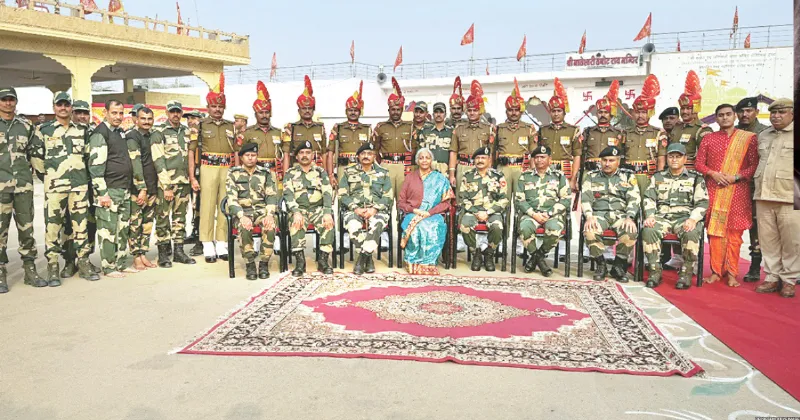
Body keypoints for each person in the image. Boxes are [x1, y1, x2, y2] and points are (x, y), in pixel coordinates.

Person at [28, 91, 99, 285]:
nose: (63, 108)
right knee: (53, 227)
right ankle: (53, 266)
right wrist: (50, 176)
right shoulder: (44, 130)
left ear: (71, 108)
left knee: (81, 226)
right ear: (54, 107)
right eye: (60, 105)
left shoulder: (82, 130)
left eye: (67, 105)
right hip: (55, 187)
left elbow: (88, 156)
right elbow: (36, 157)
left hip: (79, 186)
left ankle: (83, 262)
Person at [695, 104, 759, 288]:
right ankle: (716, 271)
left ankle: (732, 273)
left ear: (735, 116)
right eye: (721, 115)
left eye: (728, 114)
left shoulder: (748, 139)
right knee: (715, 232)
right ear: (716, 118)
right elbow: (699, 164)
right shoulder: (709, 139)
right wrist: (713, 174)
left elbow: (754, 165)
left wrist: (736, 177)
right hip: (714, 189)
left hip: (738, 190)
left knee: (734, 233)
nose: (724, 118)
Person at [88, 100, 145, 278]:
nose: (118, 117)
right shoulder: (100, 133)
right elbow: (96, 167)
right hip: (109, 191)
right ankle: (109, 267)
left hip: (123, 189)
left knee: (122, 230)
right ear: (106, 112)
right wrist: (102, 193)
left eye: (121, 113)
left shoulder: (120, 133)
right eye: (114, 113)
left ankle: (120, 263)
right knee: (108, 231)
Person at [641, 143, 708, 289]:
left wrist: (693, 219)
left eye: (678, 156)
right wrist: (650, 215)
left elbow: (702, 203)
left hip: (684, 218)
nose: (674, 160)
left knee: (691, 232)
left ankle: (686, 273)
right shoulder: (658, 177)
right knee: (649, 230)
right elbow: (649, 198)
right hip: (662, 217)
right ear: (667, 158)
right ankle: (654, 271)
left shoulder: (696, 178)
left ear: (685, 159)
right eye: (671, 156)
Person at [0, 87, 47, 293]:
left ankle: (30, 269)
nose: (8, 103)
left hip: (23, 187)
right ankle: (1, 272)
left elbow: (36, 155)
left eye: (11, 99)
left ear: (16, 102)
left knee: (26, 231)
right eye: (4, 99)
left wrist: (46, 178)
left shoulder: (26, 126)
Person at [189, 74, 237, 263]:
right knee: (207, 205)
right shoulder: (199, 125)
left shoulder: (231, 126)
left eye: (220, 106)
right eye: (214, 106)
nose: (217, 110)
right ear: (208, 107)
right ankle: (207, 243)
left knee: (225, 204)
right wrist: (192, 176)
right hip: (208, 167)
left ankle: (222, 242)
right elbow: (192, 152)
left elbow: (237, 152)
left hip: (227, 167)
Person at [753, 98, 796, 298]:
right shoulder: (763, 136)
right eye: (773, 113)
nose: (776, 116)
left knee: (792, 241)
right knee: (768, 240)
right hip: (764, 195)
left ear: (792, 114)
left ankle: (789, 279)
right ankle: (771, 276)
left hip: (790, 195)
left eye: (781, 113)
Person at [581, 146, 640, 282]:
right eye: (605, 160)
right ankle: (601, 264)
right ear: (600, 161)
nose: (607, 163)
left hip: (621, 215)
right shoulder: (591, 176)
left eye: (611, 160)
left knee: (630, 231)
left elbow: (634, 198)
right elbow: (585, 198)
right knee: (590, 230)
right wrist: (589, 216)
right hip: (598, 214)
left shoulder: (628, 176)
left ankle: (618, 265)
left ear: (618, 161)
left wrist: (630, 217)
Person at [151, 100, 196, 267]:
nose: (175, 114)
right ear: (167, 112)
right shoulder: (159, 131)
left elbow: (190, 155)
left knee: (180, 218)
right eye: (172, 112)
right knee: (162, 218)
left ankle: (178, 251)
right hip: (166, 184)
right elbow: (158, 159)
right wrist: (166, 186)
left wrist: (191, 178)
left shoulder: (186, 132)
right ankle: (163, 253)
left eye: (178, 111)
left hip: (183, 182)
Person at [226, 142, 279, 280]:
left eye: (253, 155)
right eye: (247, 155)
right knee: (244, 228)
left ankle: (263, 263)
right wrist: (242, 216)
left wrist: (269, 215)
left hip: (261, 211)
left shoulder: (265, 173)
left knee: (270, 226)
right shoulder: (233, 173)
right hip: (243, 212)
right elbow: (231, 200)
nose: (250, 158)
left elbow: (271, 196)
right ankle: (250, 263)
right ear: (242, 157)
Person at [515, 145, 570, 276]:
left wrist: (549, 213)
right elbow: (519, 199)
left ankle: (536, 257)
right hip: (531, 214)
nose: (539, 160)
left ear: (549, 159)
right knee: (524, 228)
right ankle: (540, 260)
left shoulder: (559, 176)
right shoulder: (525, 176)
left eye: (543, 157)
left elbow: (566, 199)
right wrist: (533, 214)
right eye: (537, 157)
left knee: (555, 229)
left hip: (552, 214)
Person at [338, 143, 393, 274]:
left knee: (378, 224)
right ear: (358, 156)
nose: (366, 156)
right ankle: (369, 259)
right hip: (354, 209)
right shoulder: (348, 172)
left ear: (374, 156)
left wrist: (374, 209)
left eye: (369, 154)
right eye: (363, 154)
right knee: (352, 224)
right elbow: (342, 194)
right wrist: (355, 208)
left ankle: (362, 258)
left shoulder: (383, 173)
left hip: (377, 210)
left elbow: (388, 196)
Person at [398, 148, 453, 275]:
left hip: (433, 214)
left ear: (431, 160)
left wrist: (430, 212)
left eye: (427, 158)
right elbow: (401, 202)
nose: (424, 160)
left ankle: (429, 262)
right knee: (417, 227)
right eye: (421, 158)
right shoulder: (410, 178)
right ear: (417, 161)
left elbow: (446, 203)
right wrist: (414, 210)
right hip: (413, 213)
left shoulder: (440, 179)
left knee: (433, 226)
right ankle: (413, 262)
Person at [284, 141, 335, 277]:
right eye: (301, 153)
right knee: (296, 225)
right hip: (299, 210)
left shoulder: (320, 172)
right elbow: (288, 194)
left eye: (308, 152)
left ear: (313, 155)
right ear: (296, 156)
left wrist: (327, 212)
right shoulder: (290, 173)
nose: (305, 155)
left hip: (317, 209)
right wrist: (295, 211)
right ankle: (300, 263)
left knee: (328, 224)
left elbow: (327, 192)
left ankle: (323, 261)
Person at [735, 97, 771, 283]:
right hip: (736, 186)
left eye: (749, 111)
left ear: (756, 111)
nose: (745, 114)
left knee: (759, 228)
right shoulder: (733, 132)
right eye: (741, 111)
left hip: (758, 188)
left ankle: (755, 266)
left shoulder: (765, 133)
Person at [458, 146, 508, 272]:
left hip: (492, 212)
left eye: (483, 158)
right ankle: (476, 254)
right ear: (474, 160)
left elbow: (504, 199)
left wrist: (488, 212)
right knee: (465, 225)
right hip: (473, 211)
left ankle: (489, 253)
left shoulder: (498, 176)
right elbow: (462, 198)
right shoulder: (467, 176)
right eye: (477, 158)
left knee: (497, 227)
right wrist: (476, 211)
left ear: (489, 160)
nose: (480, 160)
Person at [571, 81, 625, 193]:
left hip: (610, 174)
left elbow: (622, 156)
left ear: (611, 114)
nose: (603, 115)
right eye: (600, 112)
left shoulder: (618, 133)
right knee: (587, 201)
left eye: (606, 112)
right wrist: (576, 177)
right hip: (590, 172)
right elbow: (580, 155)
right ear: (596, 114)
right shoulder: (588, 132)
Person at [126, 107, 159, 270]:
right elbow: (135, 163)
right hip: (139, 189)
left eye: (149, 118)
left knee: (147, 224)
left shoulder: (152, 136)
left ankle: (143, 253)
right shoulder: (132, 136)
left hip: (152, 187)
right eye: (143, 118)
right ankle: (136, 256)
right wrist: (142, 188)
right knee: (136, 224)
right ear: (136, 120)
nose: (146, 121)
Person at [625, 75, 667, 199]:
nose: (640, 116)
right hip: (629, 176)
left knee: (648, 206)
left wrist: (658, 178)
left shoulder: (658, 133)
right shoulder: (625, 133)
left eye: (644, 112)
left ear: (649, 113)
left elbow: (661, 159)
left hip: (649, 176)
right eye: (637, 112)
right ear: (633, 113)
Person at [449, 80, 495, 192]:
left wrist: (489, 170)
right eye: (469, 110)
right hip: (463, 168)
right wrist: (451, 174)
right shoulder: (459, 129)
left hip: (482, 168)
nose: (472, 113)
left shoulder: (488, 129)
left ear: (480, 111)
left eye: (475, 110)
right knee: (462, 200)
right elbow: (453, 152)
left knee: (482, 199)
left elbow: (491, 153)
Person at [373, 77, 413, 201]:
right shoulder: (380, 127)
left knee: (403, 200)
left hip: (404, 167)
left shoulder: (410, 127)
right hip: (387, 166)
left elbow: (414, 149)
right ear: (389, 110)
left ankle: (402, 221)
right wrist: (382, 164)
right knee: (385, 200)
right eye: (393, 110)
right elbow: (375, 149)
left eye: (398, 109)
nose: (395, 112)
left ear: (402, 110)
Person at [496, 79, 537, 198]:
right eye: (510, 110)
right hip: (503, 169)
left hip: (522, 169)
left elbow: (533, 152)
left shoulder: (529, 128)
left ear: (521, 111)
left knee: (522, 201)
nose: (513, 113)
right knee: (502, 201)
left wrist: (533, 172)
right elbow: (493, 152)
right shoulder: (498, 129)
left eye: (516, 110)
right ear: (506, 111)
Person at [282, 75, 328, 177]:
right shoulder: (291, 128)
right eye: (304, 108)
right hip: (297, 168)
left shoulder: (320, 128)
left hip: (317, 167)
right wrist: (285, 175)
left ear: (313, 110)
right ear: (299, 110)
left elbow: (324, 152)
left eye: (310, 108)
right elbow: (286, 153)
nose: (307, 111)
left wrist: (326, 173)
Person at [329, 81, 371, 189]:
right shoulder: (338, 128)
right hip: (343, 168)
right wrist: (330, 174)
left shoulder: (367, 129)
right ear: (346, 111)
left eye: (356, 110)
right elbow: (330, 152)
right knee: (343, 199)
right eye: (350, 110)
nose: (353, 113)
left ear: (360, 112)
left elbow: (373, 153)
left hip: (362, 168)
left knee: (362, 198)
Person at [538, 78, 579, 180]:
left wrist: (574, 178)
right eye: (553, 111)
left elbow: (577, 155)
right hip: (547, 171)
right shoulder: (543, 131)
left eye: (559, 111)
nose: (556, 114)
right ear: (550, 112)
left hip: (565, 171)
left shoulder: (573, 131)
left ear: (564, 112)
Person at [242, 82, 284, 180]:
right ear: (255, 114)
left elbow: (284, 154)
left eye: (267, 112)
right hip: (254, 173)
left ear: (270, 113)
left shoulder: (278, 132)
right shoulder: (248, 132)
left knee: (275, 195)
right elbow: (240, 154)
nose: (264, 116)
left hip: (274, 173)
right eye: (261, 113)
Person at [673, 71, 713, 171]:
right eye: (682, 108)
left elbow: (707, 159)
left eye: (689, 108)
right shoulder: (676, 127)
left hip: (692, 174)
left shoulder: (702, 130)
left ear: (696, 108)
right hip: (672, 174)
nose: (685, 111)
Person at [413, 102, 452, 174]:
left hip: (445, 170)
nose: (438, 114)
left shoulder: (451, 132)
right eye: (436, 112)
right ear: (433, 114)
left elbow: (453, 153)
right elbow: (419, 152)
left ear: (445, 114)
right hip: (428, 169)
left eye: (441, 112)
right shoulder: (425, 131)